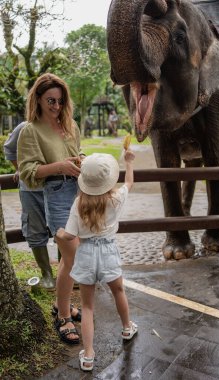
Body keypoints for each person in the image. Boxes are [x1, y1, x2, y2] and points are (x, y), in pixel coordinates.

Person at [17, 73, 85, 344]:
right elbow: (28, 172)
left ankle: (61, 305)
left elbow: (75, 155)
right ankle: (63, 317)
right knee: (73, 256)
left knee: (69, 259)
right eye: (50, 101)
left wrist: (80, 160)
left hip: (77, 191)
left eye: (60, 100)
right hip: (55, 193)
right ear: (38, 99)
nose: (56, 106)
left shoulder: (70, 125)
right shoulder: (30, 130)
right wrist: (60, 166)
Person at [56, 151, 138, 372]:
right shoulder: (116, 198)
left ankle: (89, 354)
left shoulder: (78, 204)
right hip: (109, 251)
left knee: (88, 306)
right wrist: (128, 162)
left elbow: (70, 236)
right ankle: (127, 327)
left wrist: (60, 232)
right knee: (119, 291)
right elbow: (129, 182)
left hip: (86, 254)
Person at [4, 122, 55, 289]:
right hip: (31, 189)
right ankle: (47, 275)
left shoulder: (62, 125)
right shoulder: (25, 127)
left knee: (65, 228)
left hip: (58, 187)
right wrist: (20, 168)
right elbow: (10, 149)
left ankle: (67, 273)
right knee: (34, 229)